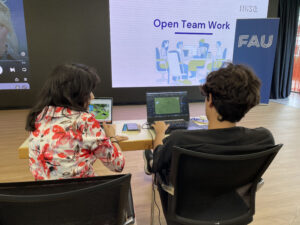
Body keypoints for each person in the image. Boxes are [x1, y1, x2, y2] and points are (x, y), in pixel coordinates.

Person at [143, 63, 275, 219]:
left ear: (210, 99)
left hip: (185, 214)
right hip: (232, 211)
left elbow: (157, 163)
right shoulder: (264, 138)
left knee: (154, 162)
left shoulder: (179, 140)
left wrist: (159, 136)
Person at [25, 63, 127, 180]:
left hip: (47, 195)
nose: (92, 97)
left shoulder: (39, 117)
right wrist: (112, 138)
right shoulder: (84, 121)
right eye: (88, 91)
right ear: (74, 94)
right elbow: (118, 165)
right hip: (83, 194)